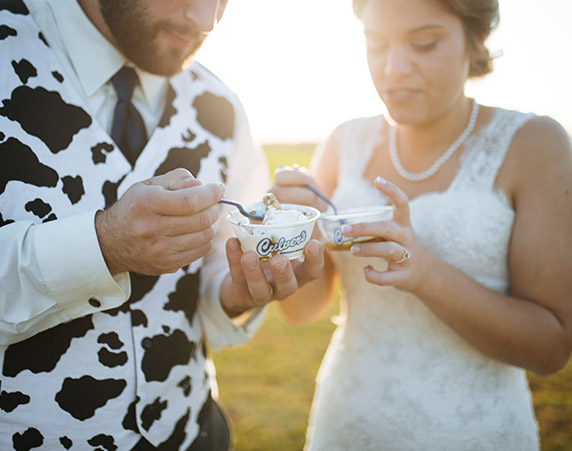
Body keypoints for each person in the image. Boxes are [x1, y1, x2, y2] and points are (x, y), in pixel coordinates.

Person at [0, 0, 324, 449]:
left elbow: (207, 287)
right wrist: (104, 245)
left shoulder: (221, 107)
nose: (208, 20)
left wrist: (235, 295)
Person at [271, 0, 572, 449]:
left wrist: (425, 273)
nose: (392, 69)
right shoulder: (344, 142)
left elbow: (550, 349)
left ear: (477, 40)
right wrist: (289, 237)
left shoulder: (534, 145)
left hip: (474, 430)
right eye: (376, 45)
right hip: (348, 419)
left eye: (424, 44)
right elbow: (302, 310)